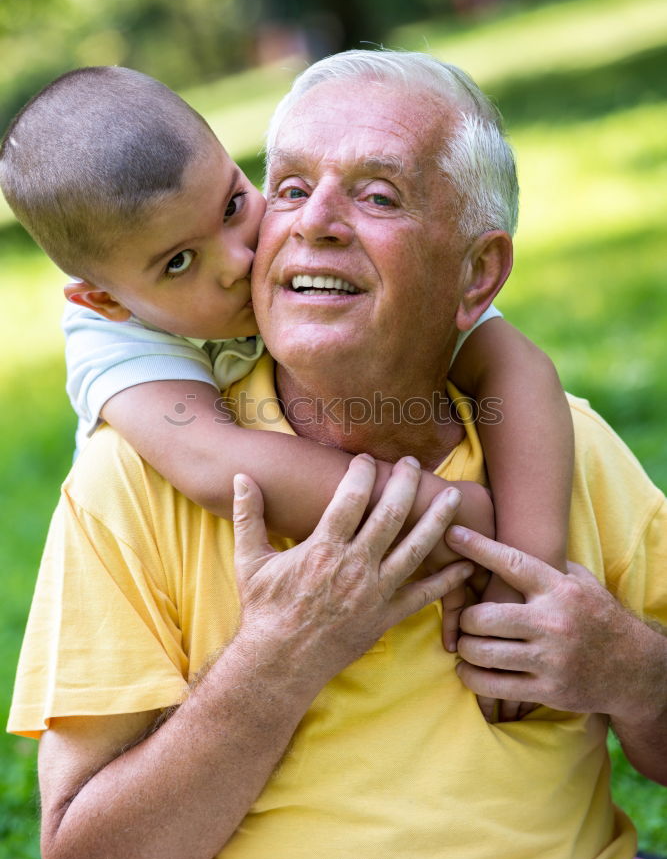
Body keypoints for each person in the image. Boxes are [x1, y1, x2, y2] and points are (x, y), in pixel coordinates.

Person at [7, 50, 667, 859]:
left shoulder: (558, 445)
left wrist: (630, 670)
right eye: (290, 187)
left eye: (377, 194)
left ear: (475, 274)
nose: (310, 222)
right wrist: (280, 657)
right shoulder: (131, 472)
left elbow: (518, 369)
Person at [0, 66, 572, 693]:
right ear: (103, 299)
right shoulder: (110, 340)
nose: (239, 260)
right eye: (180, 262)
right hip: (214, 622)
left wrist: (524, 573)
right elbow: (217, 463)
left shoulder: (318, 249)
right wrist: (455, 520)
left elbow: (514, 364)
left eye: (233, 205)